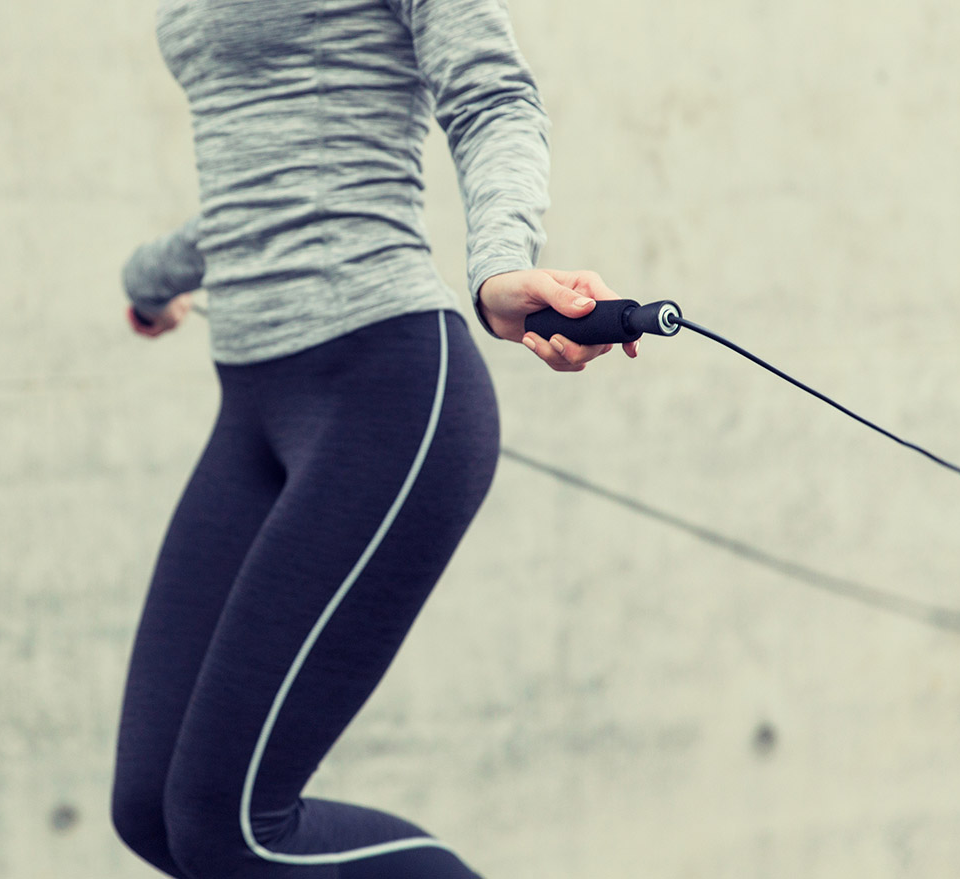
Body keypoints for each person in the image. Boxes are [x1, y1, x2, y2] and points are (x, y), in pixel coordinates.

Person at [110, 1, 638, 877]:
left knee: (233, 826)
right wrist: (152, 276)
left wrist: (502, 261)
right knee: (152, 810)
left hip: (382, 389)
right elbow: (265, 170)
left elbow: (491, 93)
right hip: (253, 400)